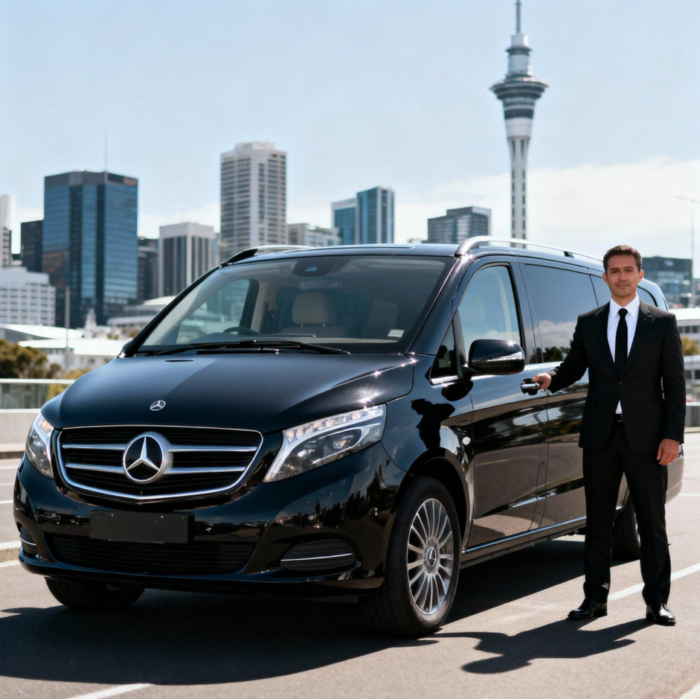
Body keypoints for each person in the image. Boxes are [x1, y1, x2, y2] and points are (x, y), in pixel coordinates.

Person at [531, 245, 685, 626]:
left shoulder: (662, 322)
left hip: (648, 440)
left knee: (651, 522)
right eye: (614, 271)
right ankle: (594, 599)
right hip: (600, 437)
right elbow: (573, 366)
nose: (622, 277)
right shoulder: (589, 322)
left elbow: (675, 384)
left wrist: (673, 436)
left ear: (640, 276)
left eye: (628, 270)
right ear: (605, 278)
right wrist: (551, 378)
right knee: (598, 521)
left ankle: (657, 601)